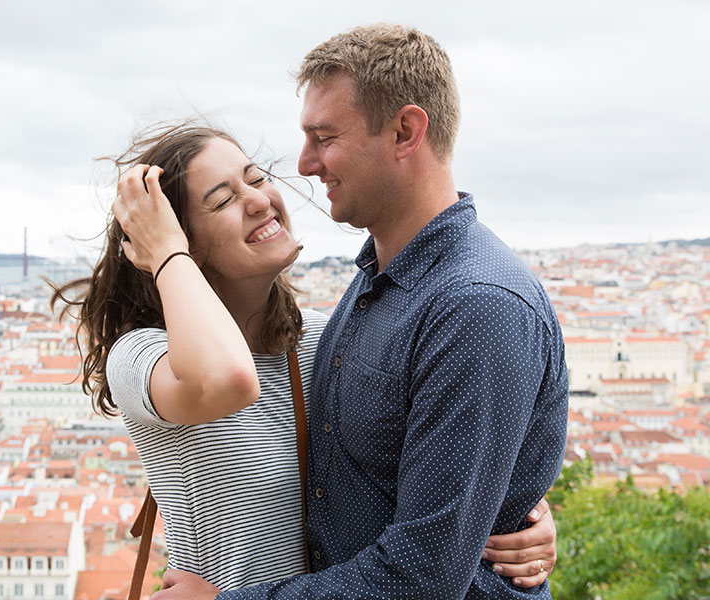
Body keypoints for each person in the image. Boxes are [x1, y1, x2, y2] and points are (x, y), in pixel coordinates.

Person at [52, 123, 557, 593]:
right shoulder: (145, 354)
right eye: (224, 199)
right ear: (187, 246)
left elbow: (421, 458)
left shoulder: (323, 335)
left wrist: (514, 514)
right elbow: (229, 380)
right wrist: (163, 250)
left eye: (256, 178)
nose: (259, 200)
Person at [158, 24, 569, 600]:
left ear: (405, 131)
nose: (303, 164)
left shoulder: (476, 307)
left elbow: (421, 577)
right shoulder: (377, 284)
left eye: (323, 137)